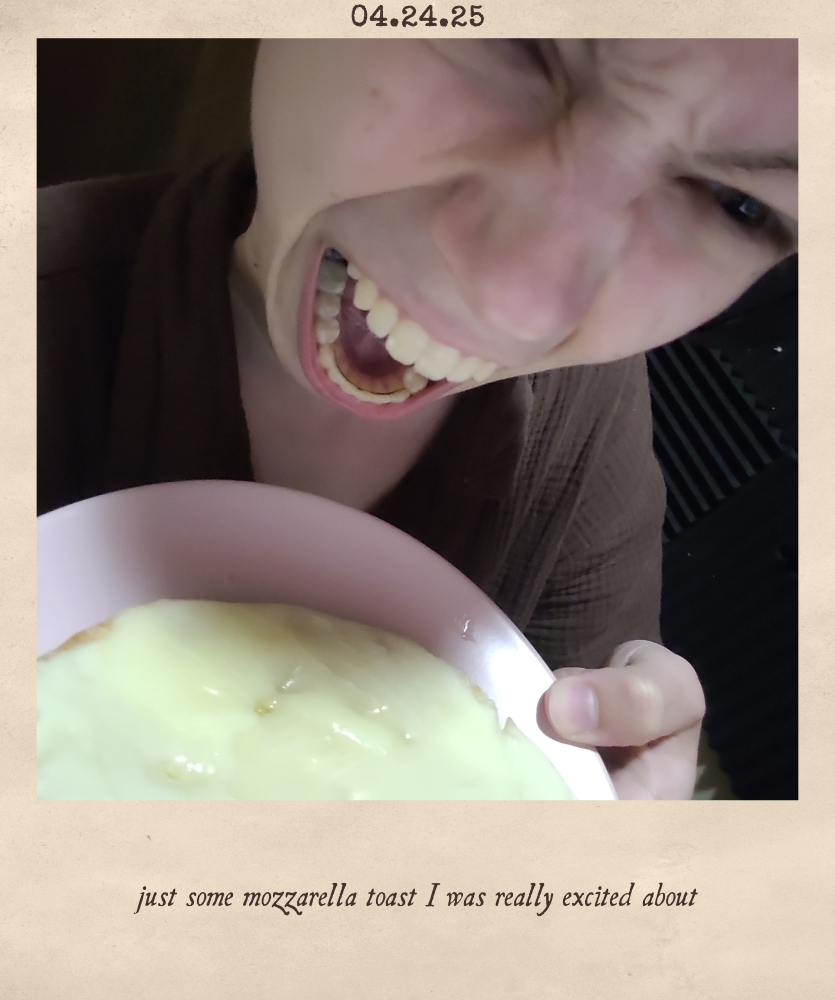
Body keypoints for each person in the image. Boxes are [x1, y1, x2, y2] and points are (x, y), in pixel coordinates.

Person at [37, 39, 798, 799]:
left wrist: (628, 767)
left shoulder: (586, 427)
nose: (518, 306)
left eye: (737, 205)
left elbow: (594, 720)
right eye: (517, 43)